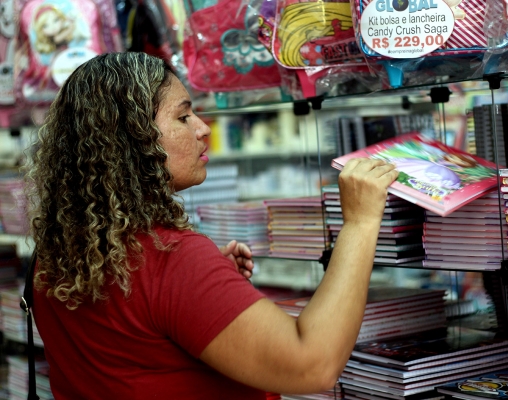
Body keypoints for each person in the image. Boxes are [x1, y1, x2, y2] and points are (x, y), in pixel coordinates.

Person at [25, 52, 399, 399]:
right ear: (130, 138)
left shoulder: (58, 254)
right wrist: (360, 223)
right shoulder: (173, 260)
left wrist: (207, 293)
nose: (203, 129)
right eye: (183, 117)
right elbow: (312, 365)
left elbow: (134, 345)